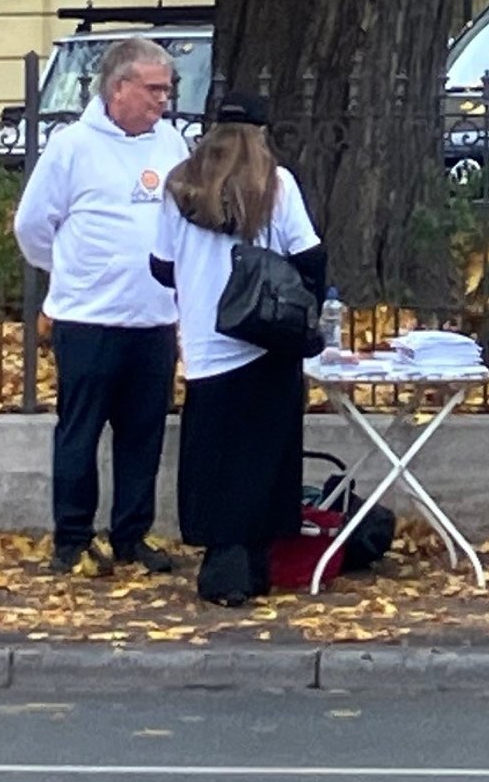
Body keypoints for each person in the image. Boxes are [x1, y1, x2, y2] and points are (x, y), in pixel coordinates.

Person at [13, 37, 189, 576]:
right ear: (119, 88)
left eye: (168, 89)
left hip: (153, 318)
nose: (164, 99)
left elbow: (184, 220)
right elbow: (32, 226)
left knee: (143, 435)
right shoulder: (72, 148)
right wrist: (71, 272)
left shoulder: (171, 144)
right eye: (154, 89)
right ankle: (72, 539)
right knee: (80, 431)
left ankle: (132, 536)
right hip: (89, 320)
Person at [149, 92, 325, 607]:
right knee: (264, 457)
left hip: (205, 341)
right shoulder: (275, 184)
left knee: (213, 456)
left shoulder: (179, 186)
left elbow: (160, 266)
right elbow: (309, 254)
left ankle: (221, 563)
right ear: (261, 134)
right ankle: (253, 564)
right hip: (264, 340)